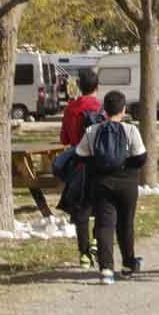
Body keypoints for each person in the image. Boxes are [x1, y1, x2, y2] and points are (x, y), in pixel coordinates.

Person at [85, 91, 147, 283]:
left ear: (104, 109)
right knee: (126, 224)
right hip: (127, 182)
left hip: (102, 182)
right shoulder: (130, 130)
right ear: (123, 109)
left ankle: (106, 269)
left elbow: (80, 154)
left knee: (104, 225)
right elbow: (141, 157)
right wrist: (125, 166)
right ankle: (128, 264)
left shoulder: (92, 130)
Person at [56, 68, 105, 266]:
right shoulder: (101, 108)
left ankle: (84, 254)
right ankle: (96, 240)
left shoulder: (70, 109)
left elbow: (64, 138)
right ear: (97, 87)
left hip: (79, 163)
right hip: (101, 162)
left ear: (79, 86)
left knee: (81, 209)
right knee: (102, 205)